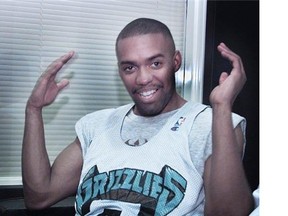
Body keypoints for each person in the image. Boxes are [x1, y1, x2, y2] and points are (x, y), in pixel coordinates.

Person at [22, 18, 254, 215]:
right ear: (120, 71)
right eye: (130, 68)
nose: (143, 79)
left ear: (175, 62)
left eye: (155, 63)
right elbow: (39, 196)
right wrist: (33, 109)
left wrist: (222, 107)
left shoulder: (209, 124)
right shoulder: (97, 125)